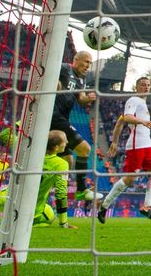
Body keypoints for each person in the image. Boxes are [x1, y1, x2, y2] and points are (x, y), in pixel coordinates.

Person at [97, 77, 151, 223]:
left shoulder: (141, 103)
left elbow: (120, 121)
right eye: (143, 85)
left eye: (148, 85)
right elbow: (127, 117)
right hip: (136, 145)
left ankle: (146, 207)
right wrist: (143, 121)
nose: (146, 87)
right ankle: (104, 206)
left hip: (147, 144)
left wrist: (114, 141)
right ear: (136, 87)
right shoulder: (133, 100)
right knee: (130, 179)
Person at [0, 131, 77, 228]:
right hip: (31, 209)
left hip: (6, 199)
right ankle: (11, 223)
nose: (67, 142)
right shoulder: (61, 164)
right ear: (56, 147)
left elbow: (4, 135)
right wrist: (63, 222)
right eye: (65, 141)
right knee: (49, 215)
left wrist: (22, 123)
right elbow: (61, 193)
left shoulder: (26, 149)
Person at [51, 51, 102, 201]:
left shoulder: (82, 79)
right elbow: (48, 74)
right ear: (76, 59)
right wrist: (56, 84)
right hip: (53, 115)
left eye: (90, 63)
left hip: (62, 118)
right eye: (86, 61)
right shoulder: (64, 68)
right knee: (85, 149)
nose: (88, 65)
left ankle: (58, 197)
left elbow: (81, 100)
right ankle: (81, 190)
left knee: (67, 162)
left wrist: (89, 98)